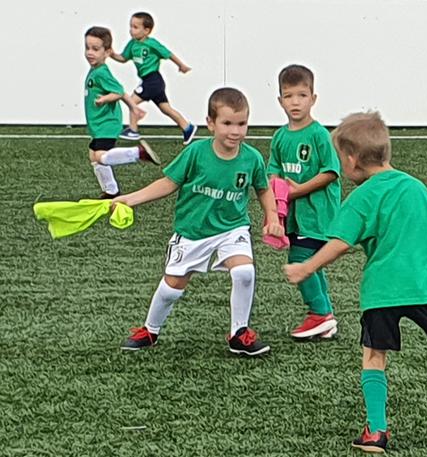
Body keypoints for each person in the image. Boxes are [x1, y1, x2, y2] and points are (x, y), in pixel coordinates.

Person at [284, 112, 427, 453]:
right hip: (423, 286)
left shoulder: (361, 198)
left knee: (374, 355)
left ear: (351, 159)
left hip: (381, 291)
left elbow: (340, 243)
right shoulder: (417, 188)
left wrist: (306, 268)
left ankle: (376, 432)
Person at [115, 87, 284, 356]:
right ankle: (150, 330)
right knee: (171, 289)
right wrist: (130, 199)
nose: (235, 131)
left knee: (244, 272)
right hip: (193, 231)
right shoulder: (196, 153)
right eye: (227, 123)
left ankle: (239, 334)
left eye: (241, 124)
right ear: (210, 123)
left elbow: (263, 189)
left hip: (232, 228)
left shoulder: (251, 158)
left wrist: (272, 217)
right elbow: (168, 183)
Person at [267, 64, 341, 340]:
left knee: (300, 259)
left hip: (317, 214)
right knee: (311, 261)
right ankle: (326, 317)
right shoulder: (280, 136)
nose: (295, 102)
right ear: (280, 100)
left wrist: (297, 191)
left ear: (313, 98)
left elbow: (331, 172)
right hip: (294, 215)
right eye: (289, 96)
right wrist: (276, 200)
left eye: (302, 95)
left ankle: (319, 313)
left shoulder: (319, 134)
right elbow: (273, 171)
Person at [84, 26, 160, 199]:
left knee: (100, 156)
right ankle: (111, 191)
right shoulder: (95, 70)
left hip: (107, 124)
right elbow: (122, 91)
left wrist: (105, 99)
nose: (90, 53)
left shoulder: (102, 72)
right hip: (99, 124)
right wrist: (134, 107)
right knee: (93, 156)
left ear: (107, 52)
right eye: (87, 48)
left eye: (95, 49)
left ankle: (138, 153)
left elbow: (117, 92)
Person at [111, 11, 197, 145]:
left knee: (131, 101)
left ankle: (133, 130)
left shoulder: (152, 44)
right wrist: (111, 54)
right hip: (148, 81)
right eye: (131, 26)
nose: (131, 30)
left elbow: (168, 54)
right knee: (165, 108)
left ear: (147, 30)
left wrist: (181, 65)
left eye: (135, 27)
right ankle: (187, 127)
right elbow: (123, 58)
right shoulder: (132, 44)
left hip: (153, 80)